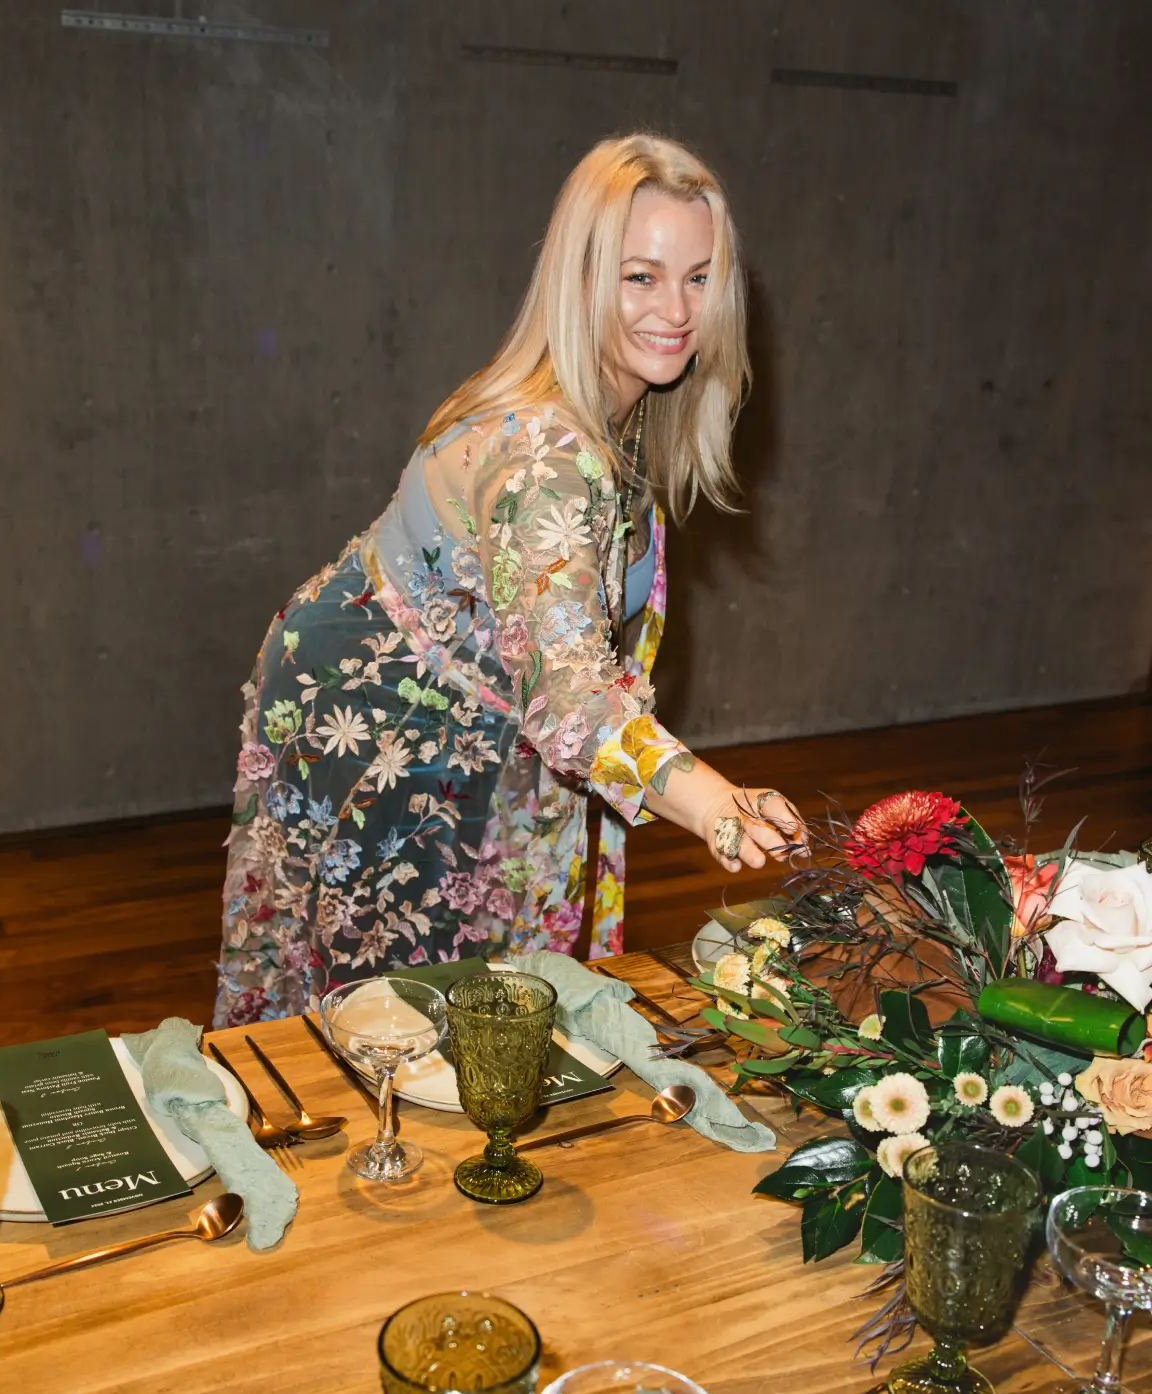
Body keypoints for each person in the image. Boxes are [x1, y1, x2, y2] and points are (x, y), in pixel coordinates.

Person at [215, 133, 807, 1026]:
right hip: (380, 732)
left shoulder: (624, 406)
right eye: (640, 276)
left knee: (473, 1009)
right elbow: (571, 698)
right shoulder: (548, 449)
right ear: (581, 277)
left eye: (698, 276)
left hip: (459, 714)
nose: (676, 309)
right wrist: (714, 801)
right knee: (395, 1026)